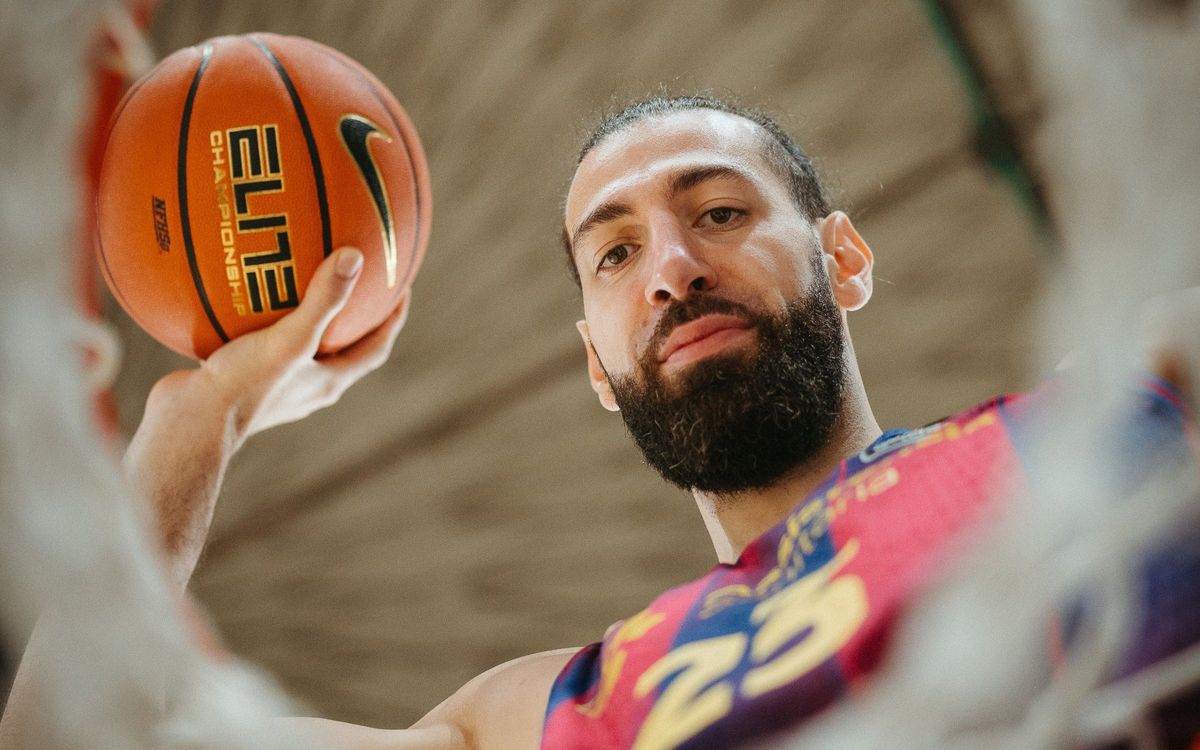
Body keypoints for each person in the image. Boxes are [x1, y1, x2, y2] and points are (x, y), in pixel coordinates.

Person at [4, 96, 1196, 750]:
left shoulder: (1125, 407)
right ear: (594, 361)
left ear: (844, 258)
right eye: (615, 253)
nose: (671, 268)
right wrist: (198, 414)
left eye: (721, 211)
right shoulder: (539, 717)